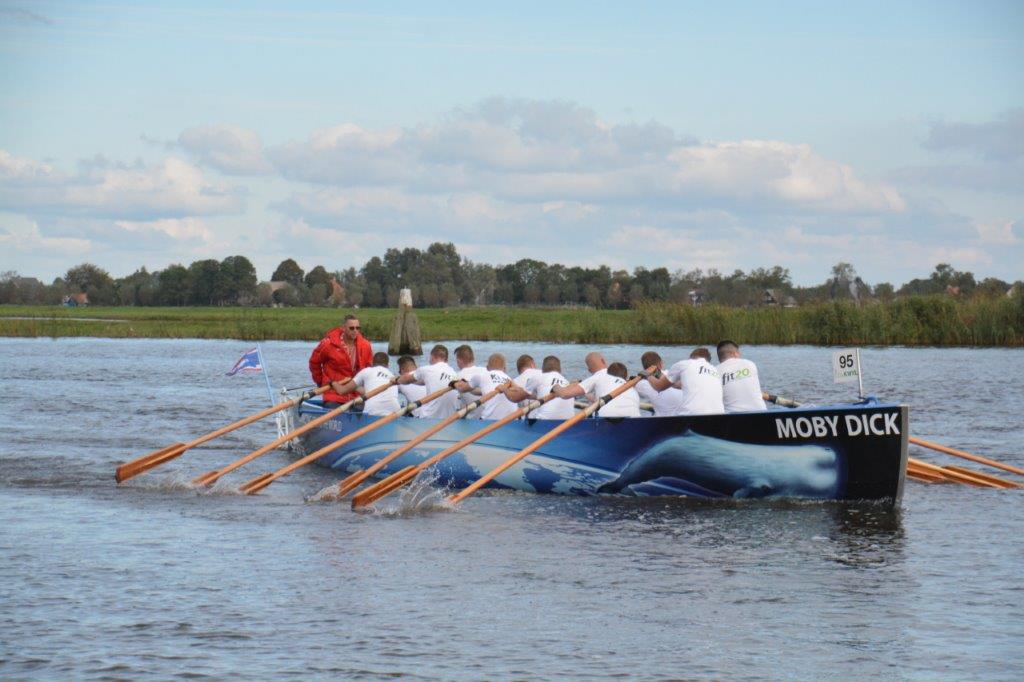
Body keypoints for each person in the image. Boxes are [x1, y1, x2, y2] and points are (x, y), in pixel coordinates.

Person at [308, 313, 373, 408]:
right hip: (334, 394)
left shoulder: (366, 345)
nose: (355, 331)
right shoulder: (328, 344)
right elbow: (314, 363)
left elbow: (369, 369)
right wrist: (320, 382)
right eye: (352, 328)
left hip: (356, 395)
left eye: (358, 328)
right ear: (343, 328)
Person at [645, 347, 724, 415]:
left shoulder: (685, 364)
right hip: (719, 414)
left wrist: (647, 374)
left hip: (691, 415)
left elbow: (659, 387)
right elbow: (679, 385)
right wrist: (661, 375)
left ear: (690, 357)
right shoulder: (715, 370)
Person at [553, 357, 640, 417]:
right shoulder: (630, 385)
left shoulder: (600, 376)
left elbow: (564, 394)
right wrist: (585, 394)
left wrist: (555, 387)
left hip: (605, 418)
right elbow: (600, 399)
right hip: (635, 418)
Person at [396, 344, 460, 419]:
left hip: (428, 418)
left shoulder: (426, 369)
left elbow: (405, 380)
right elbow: (421, 382)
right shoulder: (455, 374)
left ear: (432, 357)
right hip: (449, 419)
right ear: (446, 359)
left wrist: (396, 379)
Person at [501, 355, 574, 419]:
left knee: (529, 412)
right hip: (567, 422)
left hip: (543, 423)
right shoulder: (566, 382)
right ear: (560, 370)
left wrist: (504, 389)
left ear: (543, 369)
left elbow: (515, 398)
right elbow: (539, 395)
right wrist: (519, 389)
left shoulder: (538, 377)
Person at [330, 352, 400, 416]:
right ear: (388, 365)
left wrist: (332, 383)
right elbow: (370, 392)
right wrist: (355, 387)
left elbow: (342, 391)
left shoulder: (366, 371)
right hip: (395, 412)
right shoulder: (393, 376)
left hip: (372, 411)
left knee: (357, 407)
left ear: (372, 363)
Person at [453, 352, 519, 420]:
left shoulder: (481, 376)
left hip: (489, 420)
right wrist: (471, 390)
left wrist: (454, 383)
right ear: (505, 369)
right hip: (513, 420)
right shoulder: (510, 380)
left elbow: (462, 389)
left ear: (487, 368)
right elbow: (485, 391)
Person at [716, 340, 767, 412]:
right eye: (739, 353)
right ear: (735, 354)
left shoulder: (715, 371)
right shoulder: (750, 364)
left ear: (719, 357)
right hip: (761, 413)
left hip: (734, 418)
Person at [635, 351, 684, 417]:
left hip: (663, 421)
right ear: (661, 364)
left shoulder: (641, 383)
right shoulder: (675, 375)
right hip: (686, 419)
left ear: (644, 368)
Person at [453, 344, 487, 419]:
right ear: (473, 358)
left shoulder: (457, 376)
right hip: (487, 416)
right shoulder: (485, 371)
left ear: (458, 361)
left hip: (472, 420)